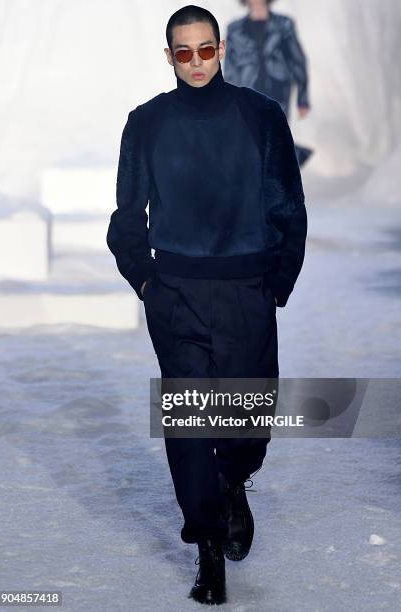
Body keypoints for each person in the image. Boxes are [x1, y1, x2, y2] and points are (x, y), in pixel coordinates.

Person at [107, 4, 307, 606]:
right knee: (192, 425)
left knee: (247, 415)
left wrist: (278, 281)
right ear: (169, 57)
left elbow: (288, 206)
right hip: (177, 294)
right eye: (184, 52)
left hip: (248, 287)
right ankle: (207, 548)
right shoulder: (145, 123)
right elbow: (126, 218)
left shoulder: (262, 117)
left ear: (222, 49)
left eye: (206, 49)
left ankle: (235, 479)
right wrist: (146, 282)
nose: (196, 62)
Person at [225, 0, 313, 166]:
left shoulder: (284, 24)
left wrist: (303, 98)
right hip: (247, 91)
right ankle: (291, 160)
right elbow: (230, 67)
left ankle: (280, 175)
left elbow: (297, 60)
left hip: (279, 89)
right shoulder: (234, 29)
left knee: (274, 137)